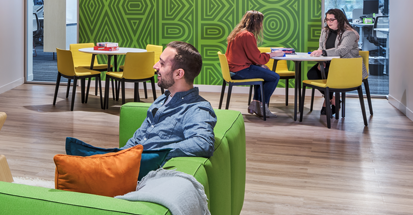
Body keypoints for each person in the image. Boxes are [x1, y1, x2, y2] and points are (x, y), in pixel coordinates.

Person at [68, 42, 217, 160]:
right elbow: (138, 138)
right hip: (129, 161)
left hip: (143, 168)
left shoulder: (197, 108)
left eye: (162, 63)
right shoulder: (162, 100)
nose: (155, 66)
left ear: (179, 74)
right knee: (76, 155)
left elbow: (202, 143)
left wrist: (152, 155)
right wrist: (119, 157)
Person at [225, 10, 285, 118]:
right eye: (261, 22)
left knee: (264, 74)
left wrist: (260, 64)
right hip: (240, 70)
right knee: (274, 77)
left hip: (233, 69)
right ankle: (262, 106)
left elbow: (248, 55)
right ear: (256, 22)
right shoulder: (247, 35)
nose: (261, 25)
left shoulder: (238, 33)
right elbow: (257, 58)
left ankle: (255, 104)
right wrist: (272, 54)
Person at [308, 8, 365, 114]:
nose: (329, 22)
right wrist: (322, 60)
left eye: (332, 20)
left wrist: (324, 53)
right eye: (327, 19)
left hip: (347, 66)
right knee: (312, 74)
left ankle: (327, 101)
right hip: (331, 63)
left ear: (339, 20)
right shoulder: (325, 31)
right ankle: (332, 99)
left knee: (328, 74)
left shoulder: (349, 33)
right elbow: (321, 47)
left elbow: (342, 50)